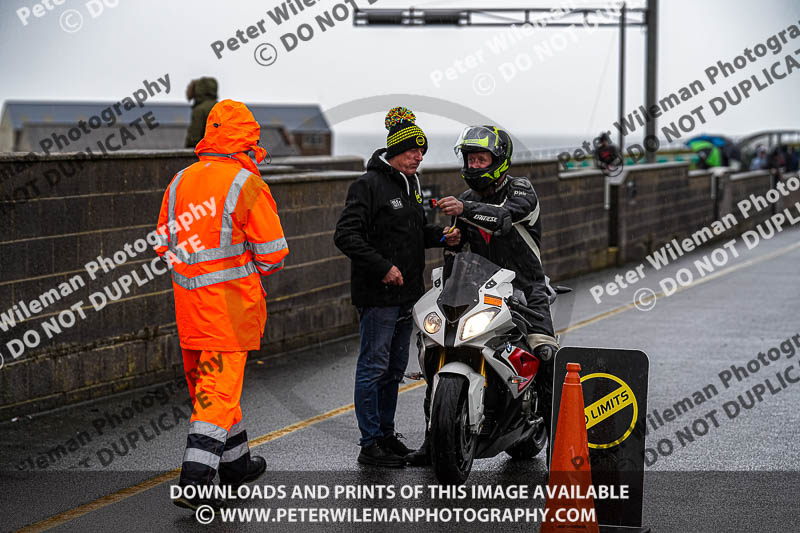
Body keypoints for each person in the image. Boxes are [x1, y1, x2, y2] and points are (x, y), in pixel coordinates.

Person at [155, 99, 289, 509]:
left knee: (211, 391)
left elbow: (163, 242)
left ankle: (236, 466)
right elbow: (273, 253)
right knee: (217, 394)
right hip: (230, 312)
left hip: (189, 309)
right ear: (247, 140)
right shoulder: (245, 183)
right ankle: (196, 482)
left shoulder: (181, 180)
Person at [406, 125, 558, 466]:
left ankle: (558, 446)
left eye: (481, 158)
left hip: (525, 287)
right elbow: (456, 254)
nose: (474, 165)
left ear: (498, 160)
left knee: (545, 354)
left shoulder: (521, 190)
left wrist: (463, 209)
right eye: (470, 159)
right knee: (438, 348)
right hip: (480, 288)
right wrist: (452, 242)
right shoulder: (468, 199)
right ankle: (434, 440)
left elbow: (503, 220)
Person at [334, 107, 460, 468]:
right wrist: (383, 267)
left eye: (421, 152)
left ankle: (387, 436)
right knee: (373, 367)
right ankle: (370, 442)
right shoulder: (368, 185)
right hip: (378, 296)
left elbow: (416, 233)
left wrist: (443, 236)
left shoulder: (412, 184)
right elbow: (346, 235)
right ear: (394, 151)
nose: (418, 157)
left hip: (408, 296)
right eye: (411, 151)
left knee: (394, 369)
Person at [185, 77, 219, 148]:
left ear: (198, 90)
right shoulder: (221, 107)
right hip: (221, 153)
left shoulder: (199, 110)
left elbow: (193, 139)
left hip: (205, 154)